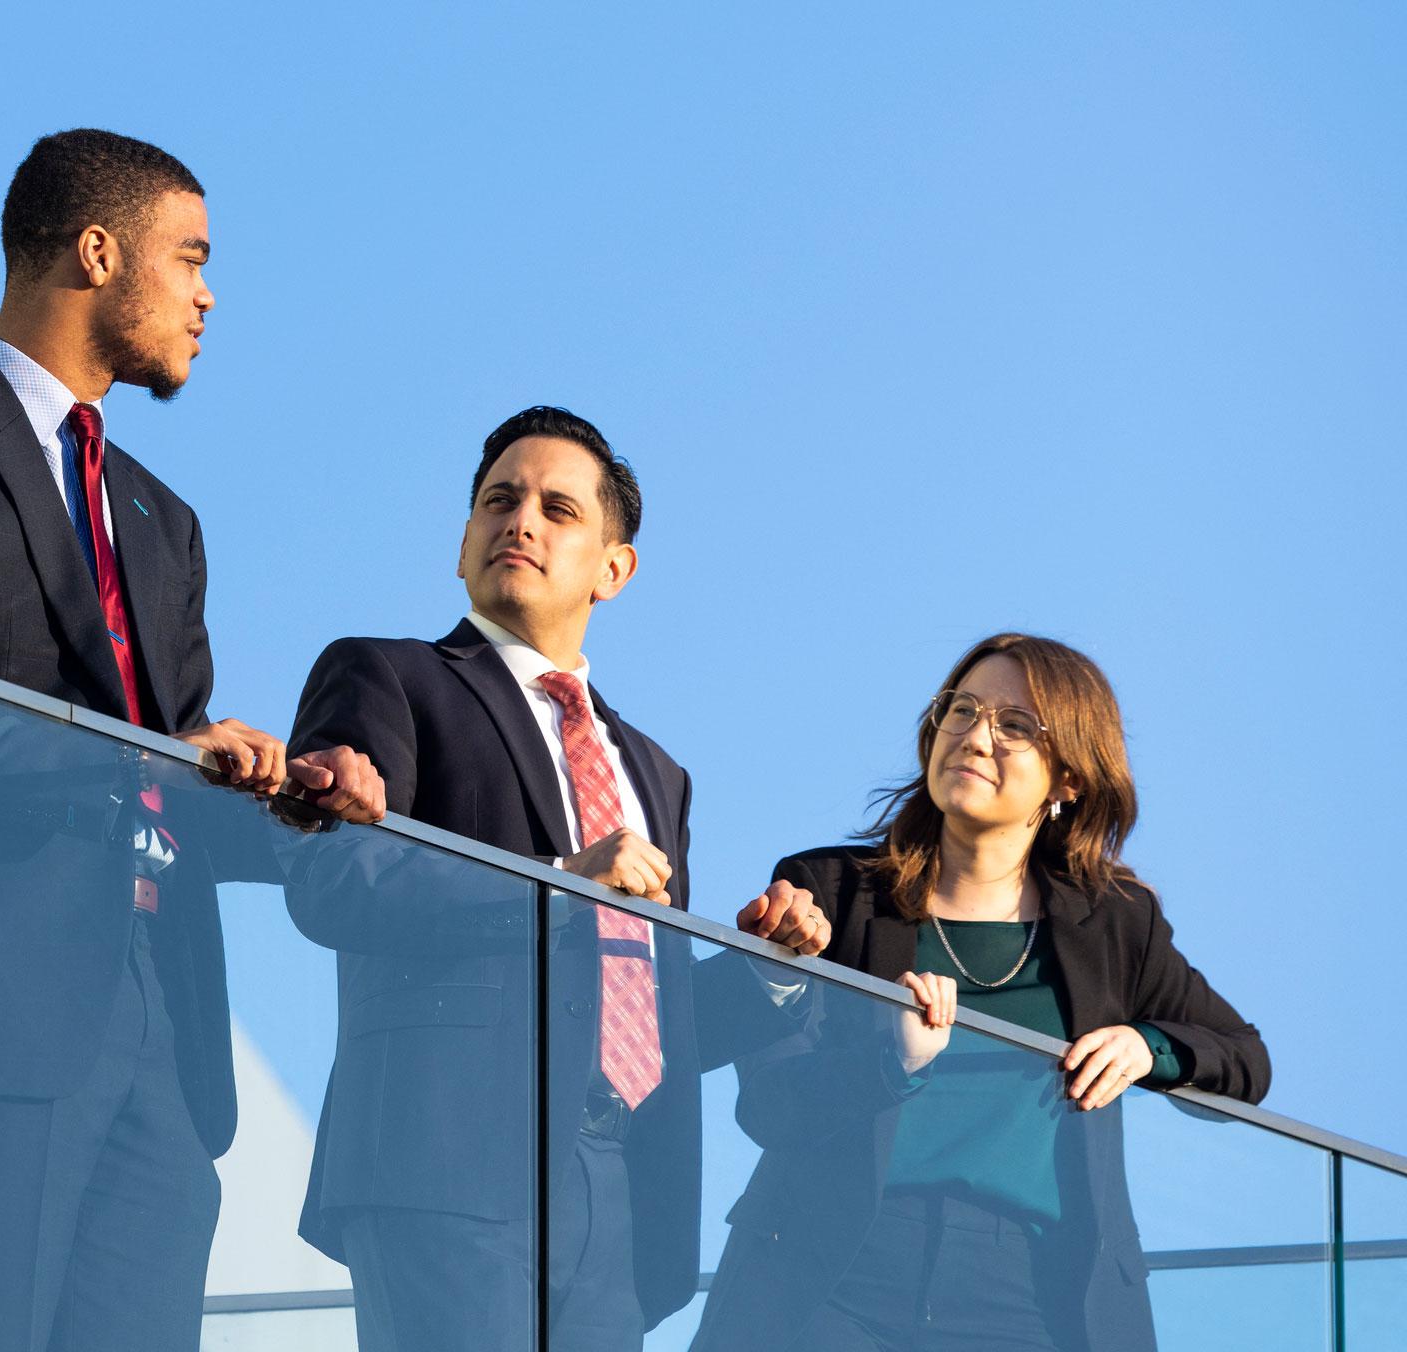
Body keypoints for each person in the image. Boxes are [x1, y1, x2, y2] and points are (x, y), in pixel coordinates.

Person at [0, 128, 385, 1352]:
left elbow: (175, 799)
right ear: (99, 250)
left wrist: (289, 796)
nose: (208, 293)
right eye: (191, 258)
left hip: (164, 1043)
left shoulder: (166, 525)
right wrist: (150, 757)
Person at [280, 406, 829, 1351]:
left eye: (557, 509)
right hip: (445, 1163)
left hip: (619, 1184)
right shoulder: (387, 677)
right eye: (500, 499)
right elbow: (338, 883)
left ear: (613, 570)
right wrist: (555, 880)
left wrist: (773, 970)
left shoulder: (657, 773)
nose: (521, 522)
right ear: (462, 544)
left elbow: (644, 1011)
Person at [694, 633, 1270, 1352]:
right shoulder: (831, 893)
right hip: (832, 1273)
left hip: (1033, 1292)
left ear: (1070, 780)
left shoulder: (1116, 921)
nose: (975, 736)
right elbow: (772, 1108)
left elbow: (1245, 1062)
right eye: (961, 711)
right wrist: (888, 1061)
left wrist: (1145, 1045)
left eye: (1016, 725)